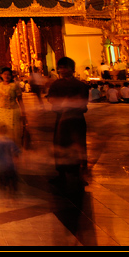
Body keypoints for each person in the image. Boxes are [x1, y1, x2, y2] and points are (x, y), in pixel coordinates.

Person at [47, 56, 90, 186]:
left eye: (66, 67)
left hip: (76, 120)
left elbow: (83, 101)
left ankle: (78, 174)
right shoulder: (56, 84)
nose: (63, 70)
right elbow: (51, 98)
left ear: (72, 69)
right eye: (61, 68)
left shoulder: (80, 85)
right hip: (61, 119)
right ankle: (61, 174)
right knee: (60, 146)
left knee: (78, 146)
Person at [0, 67, 27, 147]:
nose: (7, 76)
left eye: (8, 74)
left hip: (13, 111)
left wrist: (23, 112)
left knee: (12, 131)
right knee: (2, 131)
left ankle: (14, 148)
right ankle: (3, 147)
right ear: (1, 75)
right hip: (2, 111)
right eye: (5, 74)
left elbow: (20, 100)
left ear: (11, 76)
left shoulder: (14, 86)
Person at [0, 123, 21, 192]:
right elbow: (17, 154)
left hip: (1, 168)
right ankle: (12, 200)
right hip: (11, 168)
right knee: (12, 189)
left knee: (3, 189)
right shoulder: (11, 142)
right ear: (6, 131)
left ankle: (6, 201)